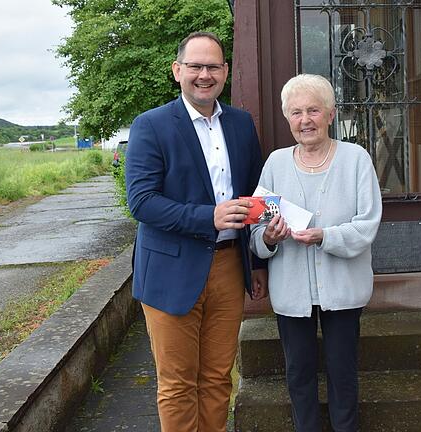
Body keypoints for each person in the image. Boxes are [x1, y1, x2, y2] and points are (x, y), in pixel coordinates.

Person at [125, 31, 268, 432]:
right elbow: (142, 201)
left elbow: (254, 198)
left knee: (218, 379)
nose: (204, 75)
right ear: (177, 71)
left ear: (225, 72)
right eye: (195, 66)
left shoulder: (240, 124)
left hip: (227, 267)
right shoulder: (151, 125)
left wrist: (256, 262)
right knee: (177, 383)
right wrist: (209, 217)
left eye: (213, 67)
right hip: (171, 270)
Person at [250, 74, 382, 431]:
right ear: (287, 118)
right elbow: (256, 230)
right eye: (296, 112)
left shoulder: (356, 159)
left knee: (343, 373)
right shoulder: (276, 165)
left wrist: (325, 236)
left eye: (313, 110)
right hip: (292, 290)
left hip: (343, 289)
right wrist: (271, 239)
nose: (305, 120)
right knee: (299, 374)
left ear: (330, 114)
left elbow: (367, 225)